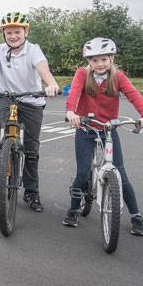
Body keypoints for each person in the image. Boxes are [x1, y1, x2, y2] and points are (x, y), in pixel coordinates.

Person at [0, 12, 59, 212]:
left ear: (25, 31)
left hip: (31, 99)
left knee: (31, 147)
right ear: (4, 33)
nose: (13, 36)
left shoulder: (34, 50)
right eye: (9, 32)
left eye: (17, 32)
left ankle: (31, 191)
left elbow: (43, 69)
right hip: (6, 97)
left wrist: (52, 84)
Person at [63, 38, 143, 235]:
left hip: (108, 130)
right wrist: (71, 112)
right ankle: (73, 209)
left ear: (111, 58)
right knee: (82, 172)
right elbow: (74, 93)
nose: (99, 64)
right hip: (85, 129)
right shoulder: (82, 74)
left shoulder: (119, 76)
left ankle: (136, 216)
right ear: (89, 61)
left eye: (104, 60)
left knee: (120, 174)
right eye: (94, 60)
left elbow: (134, 95)